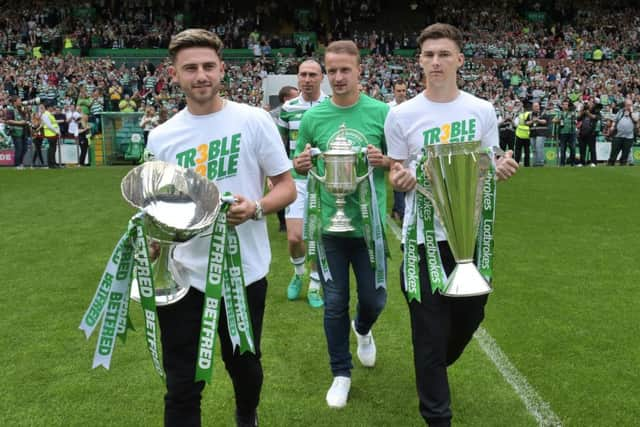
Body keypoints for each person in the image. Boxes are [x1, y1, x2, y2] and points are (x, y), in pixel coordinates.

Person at [146, 29, 295, 427]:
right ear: (174, 74)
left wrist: (256, 207)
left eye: (208, 66)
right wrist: (152, 241)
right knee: (182, 384)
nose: (201, 75)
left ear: (222, 69)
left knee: (244, 367)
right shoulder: (161, 137)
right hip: (182, 277)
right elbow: (157, 207)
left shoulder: (254, 120)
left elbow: (287, 187)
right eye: (190, 68)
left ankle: (246, 413)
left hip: (243, 272)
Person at [384, 23, 518, 427]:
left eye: (444, 54)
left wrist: (502, 166)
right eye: (428, 55)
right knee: (427, 331)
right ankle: (437, 417)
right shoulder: (402, 115)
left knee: (469, 318)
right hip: (423, 240)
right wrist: (399, 178)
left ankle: (434, 365)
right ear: (420, 61)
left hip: (468, 237)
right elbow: (396, 168)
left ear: (460, 59)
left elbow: (489, 160)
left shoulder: (480, 110)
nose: (436, 62)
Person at [293, 40, 389, 409]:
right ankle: (341, 374)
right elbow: (298, 162)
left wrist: (384, 160)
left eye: (344, 70)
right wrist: (300, 164)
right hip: (329, 229)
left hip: (368, 228)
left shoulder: (381, 113)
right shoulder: (314, 118)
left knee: (373, 300)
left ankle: (363, 329)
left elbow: (398, 163)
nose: (337, 77)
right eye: (331, 70)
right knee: (334, 303)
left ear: (359, 70)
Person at [277, 60, 327, 308]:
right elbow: (279, 144)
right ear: (298, 78)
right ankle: (298, 273)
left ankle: (316, 285)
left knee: (319, 235)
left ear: (321, 78)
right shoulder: (287, 108)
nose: (307, 79)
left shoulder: (330, 106)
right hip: (296, 180)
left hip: (324, 180)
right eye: (303, 75)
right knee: (295, 237)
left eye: (312, 75)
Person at [270, 85, 299, 232]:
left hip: (293, 154)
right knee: (280, 188)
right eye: (295, 96)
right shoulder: (273, 116)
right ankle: (282, 223)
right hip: (280, 156)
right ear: (286, 99)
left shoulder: (298, 111)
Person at [388, 80, 408, 222]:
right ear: (394, 92)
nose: (401, 93)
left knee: (404, 178)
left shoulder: (411, 107)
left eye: (403, 91)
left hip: (407, 149)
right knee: (398, 177)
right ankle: (401, 211)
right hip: (393, 148)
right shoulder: (388, 108)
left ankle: (398, 210)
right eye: (399, 91)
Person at [607, 99, 637, 166]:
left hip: (629, 137)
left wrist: (631, 113)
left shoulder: (634, 112)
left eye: (630, 105)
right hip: (618, 136)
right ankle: (611, 163)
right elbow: (615, 120)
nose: (629, 106)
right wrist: (612, 126)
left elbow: (636, 120)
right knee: (614, 152)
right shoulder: (620, 111)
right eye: (628, 105)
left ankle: (623, 164)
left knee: (625, 153)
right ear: (625, 105)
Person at [5, 96, 29, 169]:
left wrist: (27, 113)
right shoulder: (10, 109)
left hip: (24, 131)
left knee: (25, 148)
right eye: (19, 100)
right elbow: (8, 121)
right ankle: (17, 164)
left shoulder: (21, 109)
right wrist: (20, 122)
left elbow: (26, 119)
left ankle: (20, 163)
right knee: (19, 148)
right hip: (16, 132)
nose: (20, 102)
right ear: (15, 102)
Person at [577, 100, 599, 167]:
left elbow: (595, 117)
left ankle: (593, 162)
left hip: (591, 133)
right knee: (582, 148)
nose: (589, 105)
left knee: (592, 149)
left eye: (591, 104)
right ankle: (582, 162)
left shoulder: (596, 111)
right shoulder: (584, 112)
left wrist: (588, 113)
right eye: (588, 104)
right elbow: (578, 118)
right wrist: (581, 111)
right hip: (582, 133)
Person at [558, 99, 577, 166]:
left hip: (572, 132)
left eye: (567, 104)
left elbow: (576, 120)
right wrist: (559, 120)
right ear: (562, 106)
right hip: (563, 132)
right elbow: (553, 120)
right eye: (564, 104)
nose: (566, 106)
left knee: (573, 148)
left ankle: (572, 163)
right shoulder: (560, 113)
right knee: (563, 148)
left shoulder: (573, 112)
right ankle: (562, 163)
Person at [42, 103, 61, 169]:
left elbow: (54, 123)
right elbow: (49, 125)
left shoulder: (50, 114)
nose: (52, 108)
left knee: (53, 149)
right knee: (51, 149)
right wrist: (57, 131)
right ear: (48, 107)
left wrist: (57, 131)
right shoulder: (45, 115)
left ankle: (53, 163)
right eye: (51, 107)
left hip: (53, 133)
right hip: (50, 134)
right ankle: (51, 163)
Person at [529, 102, 548, 166]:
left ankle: (540, 162)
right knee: (534, 149)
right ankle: (535, 162)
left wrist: (537, 120)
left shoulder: (543, 113)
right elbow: (526, 122)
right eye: (535, 106)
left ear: (539, 106)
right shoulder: (530, 114)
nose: (536, 107)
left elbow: (545, 121)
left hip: (541, 133)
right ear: (532, 107)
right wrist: (532, 121)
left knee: (539, 147)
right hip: (532, 133)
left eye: (537, 106)